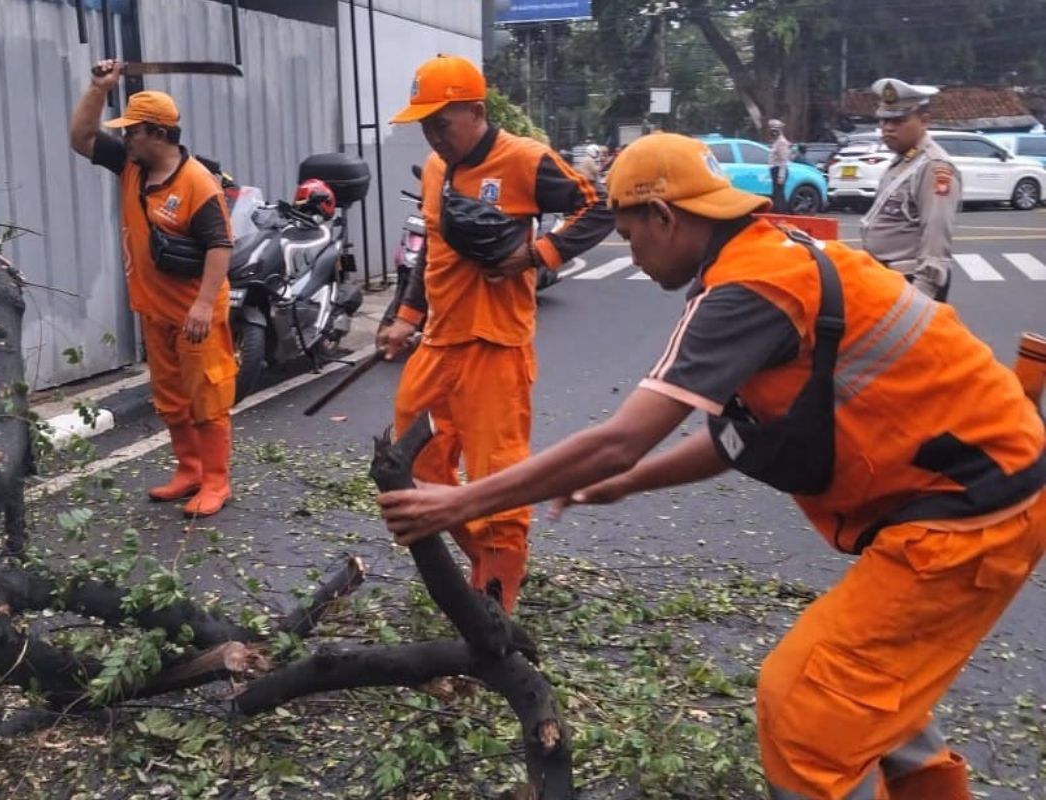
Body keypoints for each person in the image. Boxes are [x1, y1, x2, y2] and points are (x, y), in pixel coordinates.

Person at [379, 132, 1046, 799]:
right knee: (877, 703)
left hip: (971, 515)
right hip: (982, 493)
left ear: (664, 217)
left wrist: (456, 503)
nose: (632, 255)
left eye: (630, 233)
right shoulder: (761, 262)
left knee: (806, 708)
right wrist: (627, 484)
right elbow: (738, 436)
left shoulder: (748, 289)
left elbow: (621, 437)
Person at [376, 54, 614, 612]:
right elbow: (432, 250)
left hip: (495, 346)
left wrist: (537, 254)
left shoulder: (523, 160)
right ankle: (481, 552)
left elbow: (597, 207)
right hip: (439, 341)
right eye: (425, 126)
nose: (433, 136)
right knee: (412, 459)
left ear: (476, 112)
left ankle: (497, 602)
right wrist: (406, 319)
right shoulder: (436, 171)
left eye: (442, 122)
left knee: (497, 474)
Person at [69, 60, 237, 518]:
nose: (125, 139)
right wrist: (98, 88)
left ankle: (217, 482)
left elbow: (220, 245)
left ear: (159, 135)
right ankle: (190, 470)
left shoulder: (197, 183)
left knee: (207, 396)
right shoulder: (132, 167)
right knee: (170, 397)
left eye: (133, 132)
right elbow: (81, 138)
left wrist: (204, 304)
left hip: (194, 315)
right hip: (155, 311)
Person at [861, 78, 961, 301]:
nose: (887, 128)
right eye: (884, 121)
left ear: (924, 121)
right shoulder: (903, 162)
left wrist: (920, 299)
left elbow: (936, 241)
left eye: (898, 120)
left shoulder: (934, 168)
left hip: (909, 285)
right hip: (885, 279)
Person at [767, 118, 791, 213]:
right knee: (776, 193)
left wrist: (781, 176)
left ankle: (782, 212)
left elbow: (783, 160)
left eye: (775, 129)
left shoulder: (782, 142)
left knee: (779, 194)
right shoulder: (776, 142)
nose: (773, 132)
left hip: (779, 170)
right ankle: (778, 211)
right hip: (775, 170)